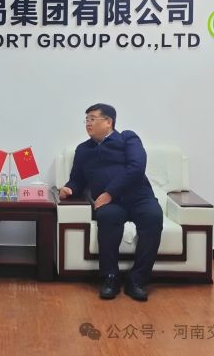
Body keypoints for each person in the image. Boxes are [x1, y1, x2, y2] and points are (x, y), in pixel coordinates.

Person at [59, 103, 163, 301]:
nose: (88, 123)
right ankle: (110, 278)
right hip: (110, 204)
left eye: (92, 119)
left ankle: (137, 280)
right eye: (86, 119)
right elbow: (77, 179)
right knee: (107, 217)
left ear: (108, 122)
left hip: (139, 197)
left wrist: (110, 192)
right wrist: (69, 189)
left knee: (153, 217)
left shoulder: (128, 139)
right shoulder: (83, 149)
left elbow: (136, 168)